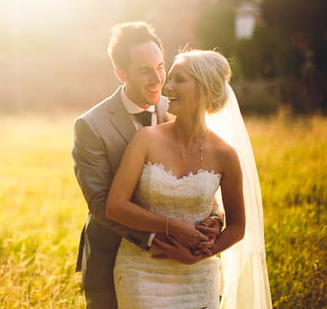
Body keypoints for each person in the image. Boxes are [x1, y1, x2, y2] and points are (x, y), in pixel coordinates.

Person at [72, 22, 222, 309]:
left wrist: (214, 218)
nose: (158, 79)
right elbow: (101, 203)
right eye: (144, 71)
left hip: (182, 265)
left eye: (161, 66)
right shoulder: (91, 126)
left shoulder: (179, 108)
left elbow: (204, 172)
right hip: (115, 257)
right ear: (121, 73)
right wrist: (160, 238)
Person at [106, 49, 272, 308]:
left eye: (178, 79)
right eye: (169, 78)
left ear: (204, 88)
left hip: (198, 277)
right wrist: (172, 226)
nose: (166, 86)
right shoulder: (146, 139)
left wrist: (201, 255)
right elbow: (115, 206)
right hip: (141, 271)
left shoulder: (225, 155)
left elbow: (238, 227)